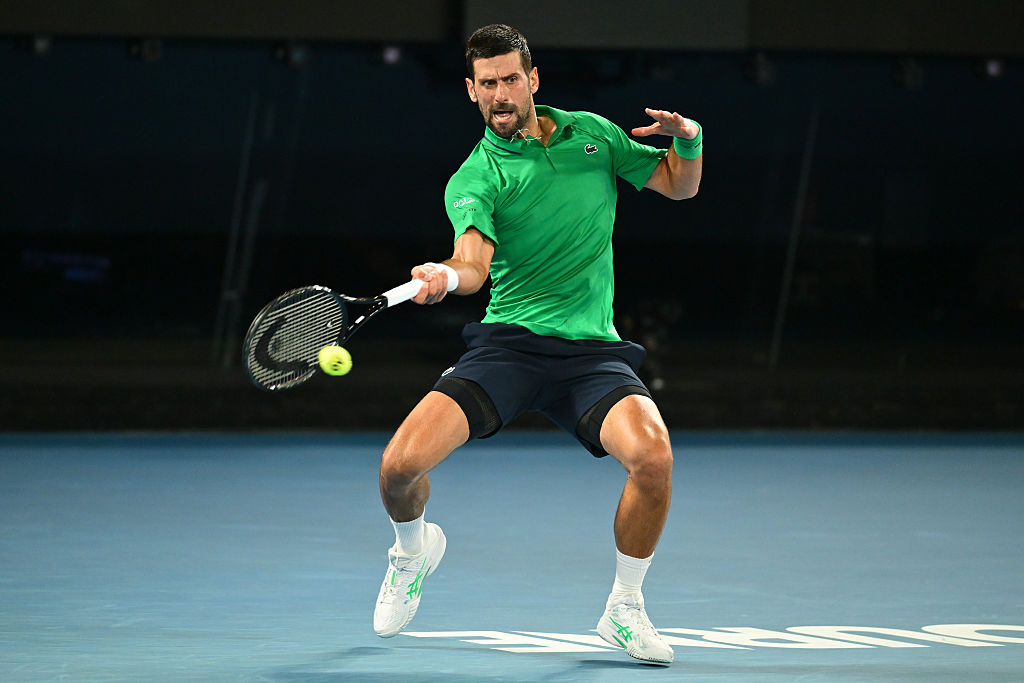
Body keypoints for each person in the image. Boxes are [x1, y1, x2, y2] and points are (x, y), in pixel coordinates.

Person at [372, 24, 702, 664]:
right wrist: (446, 275)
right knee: (398, 469)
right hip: (509, 348)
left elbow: (678, 185)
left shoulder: (595, 137)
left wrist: (688, 139)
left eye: (510, 79)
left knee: (654, 459)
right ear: (471, 91)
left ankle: (623, 610)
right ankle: (412, 551)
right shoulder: (476, 175)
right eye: (486, 83)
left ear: (533, 80)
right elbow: (473, 262)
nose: (500, 93)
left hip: (592, 356)